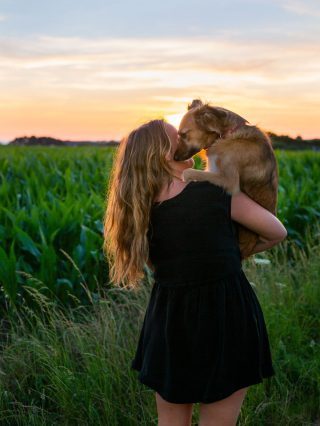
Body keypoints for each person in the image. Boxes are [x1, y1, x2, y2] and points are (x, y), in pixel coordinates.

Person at [103, 118, 287, 426]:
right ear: (165, 153)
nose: (193, 139)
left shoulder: (138, 210)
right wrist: (228, 256)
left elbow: (158, 265)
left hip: (169, 321)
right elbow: (275, 232)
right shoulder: (215, 192)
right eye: (180, 136)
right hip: (225, 315)